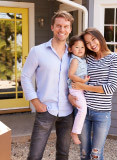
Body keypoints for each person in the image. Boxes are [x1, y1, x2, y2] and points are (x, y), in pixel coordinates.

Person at [21, 10, 74, 160]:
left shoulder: (73, 54)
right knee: (35, 155)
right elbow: (25, 76)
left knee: (63, 154)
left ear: (70, 29)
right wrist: (35, 101)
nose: (61, 30)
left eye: (65, 26)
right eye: (58, 26)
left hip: (67, 111)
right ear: (52, 27)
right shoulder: (37, 51)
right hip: (45, 110)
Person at [69, 28, 117, 160]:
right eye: (87, 42)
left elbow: (110, 88)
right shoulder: (87, 59)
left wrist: (84, 86)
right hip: (83, 111)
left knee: (95, 155)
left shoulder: (114, 58)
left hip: (102, 113)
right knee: (84, 153)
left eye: (93, 39)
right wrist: (70, 94)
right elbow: (72, 75)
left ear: (100, 37)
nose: (91, 44)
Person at [67, 35, 90, 145]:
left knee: (82, 109)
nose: (80, 50)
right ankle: (75, 133)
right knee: (82, 109)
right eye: (77, 47)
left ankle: (76, 131)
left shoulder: (81, 60)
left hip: (79, 88)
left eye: (82, 47)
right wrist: (82, 81)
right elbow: (71, 75)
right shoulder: (75, 60)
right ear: (70, 49)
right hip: (76, 88)